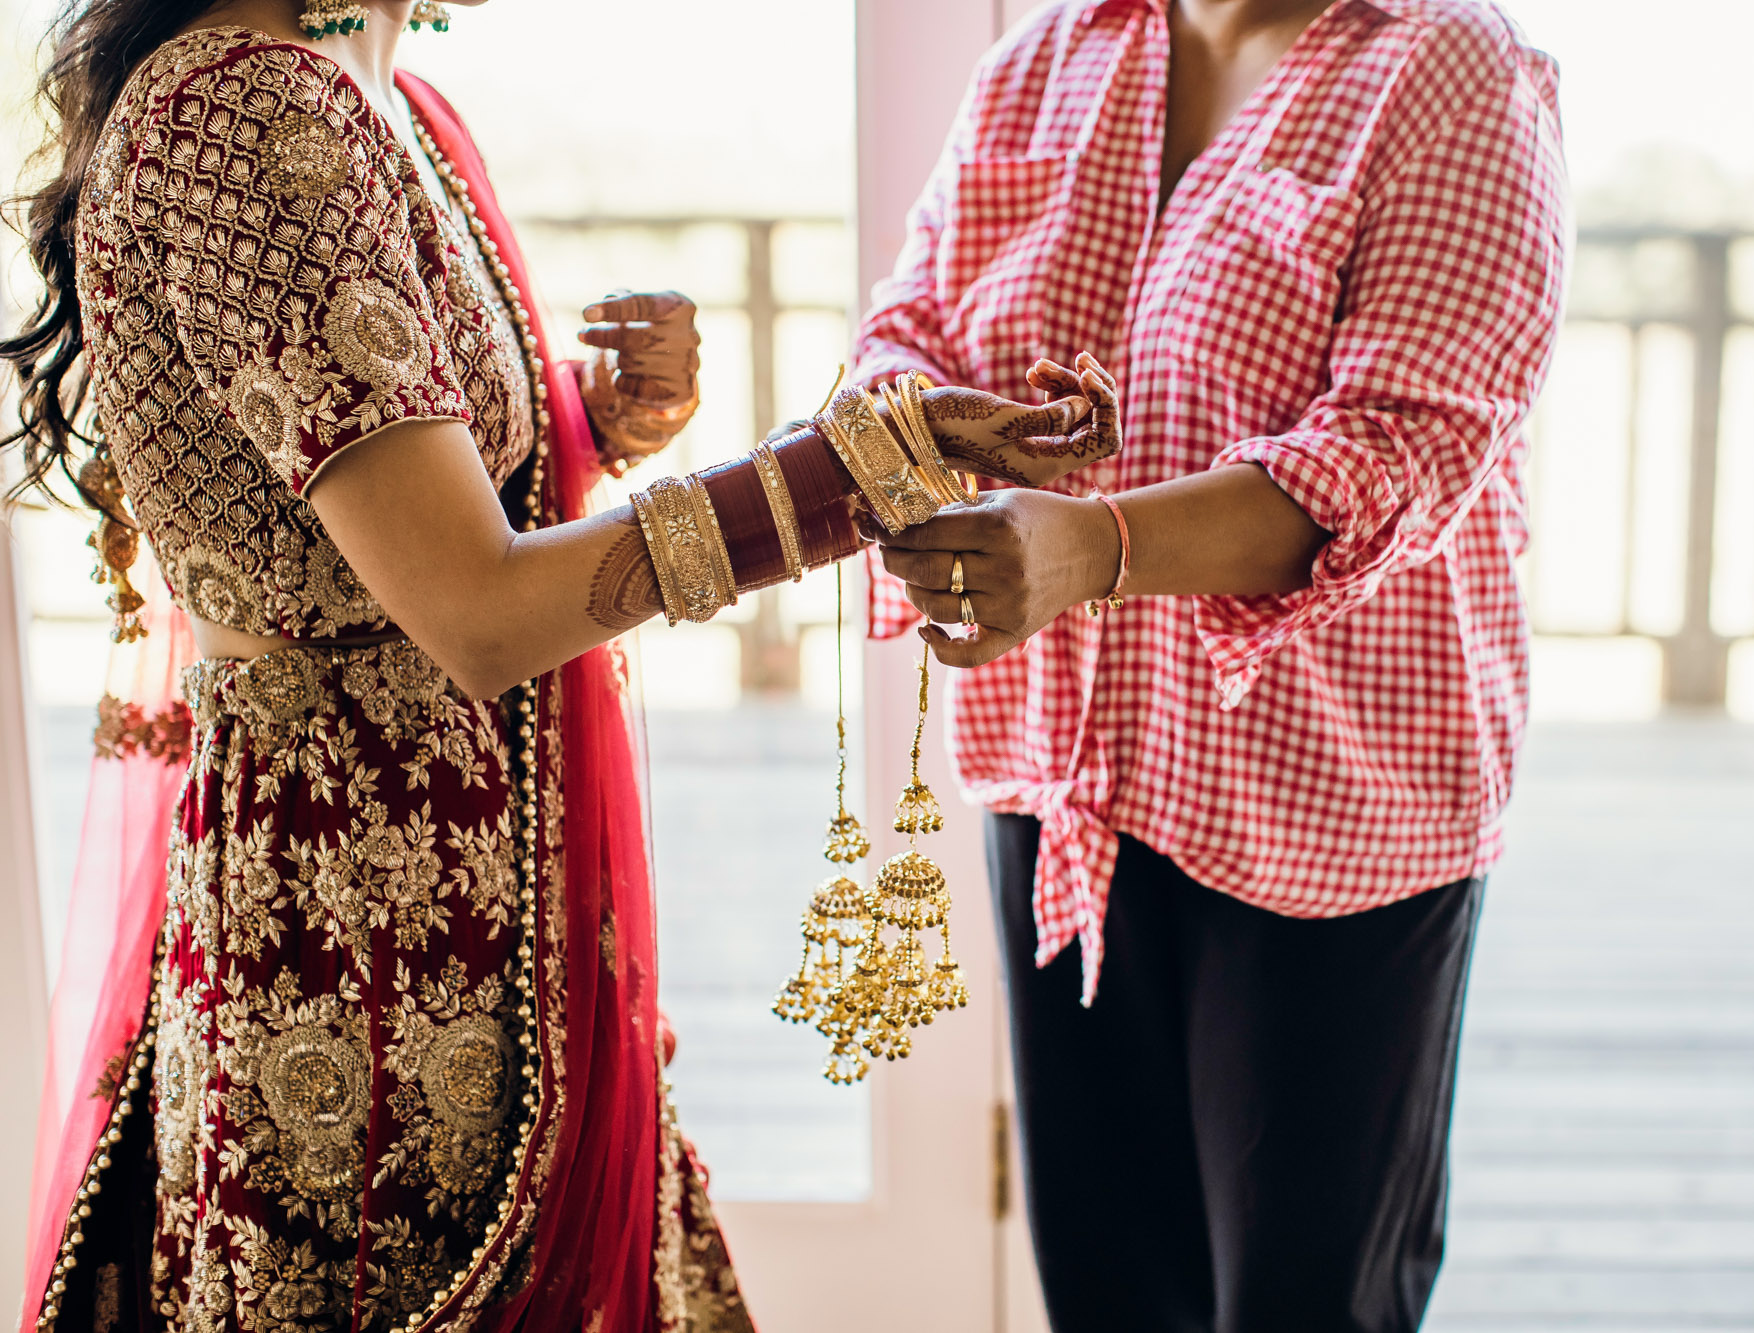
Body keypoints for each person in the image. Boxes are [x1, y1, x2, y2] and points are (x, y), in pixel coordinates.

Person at [0, 3, 1120, 1329]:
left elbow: (398, 507)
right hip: (359, 961)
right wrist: (856, 471)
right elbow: (472, 607)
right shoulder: (246, 114)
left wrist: (588, 421)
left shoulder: (387, 102)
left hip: (488, 924)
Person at [860, 1, 1569, 1329]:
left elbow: (1393, 452)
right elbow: (907, 327)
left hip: (1332, 814)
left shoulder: (1446, 65)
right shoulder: (1045, 59)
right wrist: (914, 418)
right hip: (1068, 785)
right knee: (1112, 1294)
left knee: (1308, 1303)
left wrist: (1090, 546)